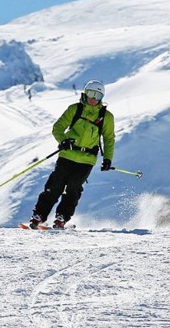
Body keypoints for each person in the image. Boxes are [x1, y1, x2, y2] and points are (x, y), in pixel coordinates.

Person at [29, 80, 115, 229]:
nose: (93, 98)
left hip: (87, 160)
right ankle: (39, 216)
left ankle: (61, 218)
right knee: (55, 185)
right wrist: (63, 141)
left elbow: (109, 139)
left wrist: (107, 158)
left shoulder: (106, 117)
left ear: (102, 98)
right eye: (90, 94)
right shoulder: (75, 109)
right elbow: (58, 128)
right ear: (85, 93)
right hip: (67, 155)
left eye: (98, 96)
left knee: (74, 188)